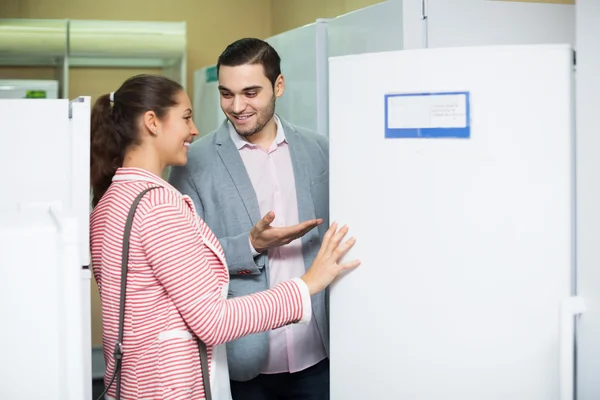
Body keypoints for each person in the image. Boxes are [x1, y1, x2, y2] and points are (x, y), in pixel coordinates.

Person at [90, 73, 359, 400]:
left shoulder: (111, 200)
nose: (194, 129)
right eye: (186, 117)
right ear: (152, 122)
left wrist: (253, 243)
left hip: (134, 385)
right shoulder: (158, 205)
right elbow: (214, 322)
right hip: (168, 388)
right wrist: (307, 285)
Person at [168, 38, 332, 400]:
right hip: (244, 357)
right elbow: (185, 263)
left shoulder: (320, 149)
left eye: (251, 92)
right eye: (226, 94)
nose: (237, 106)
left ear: (279, 86)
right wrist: (251, 244)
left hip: (318, 349)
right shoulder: (193, 163)